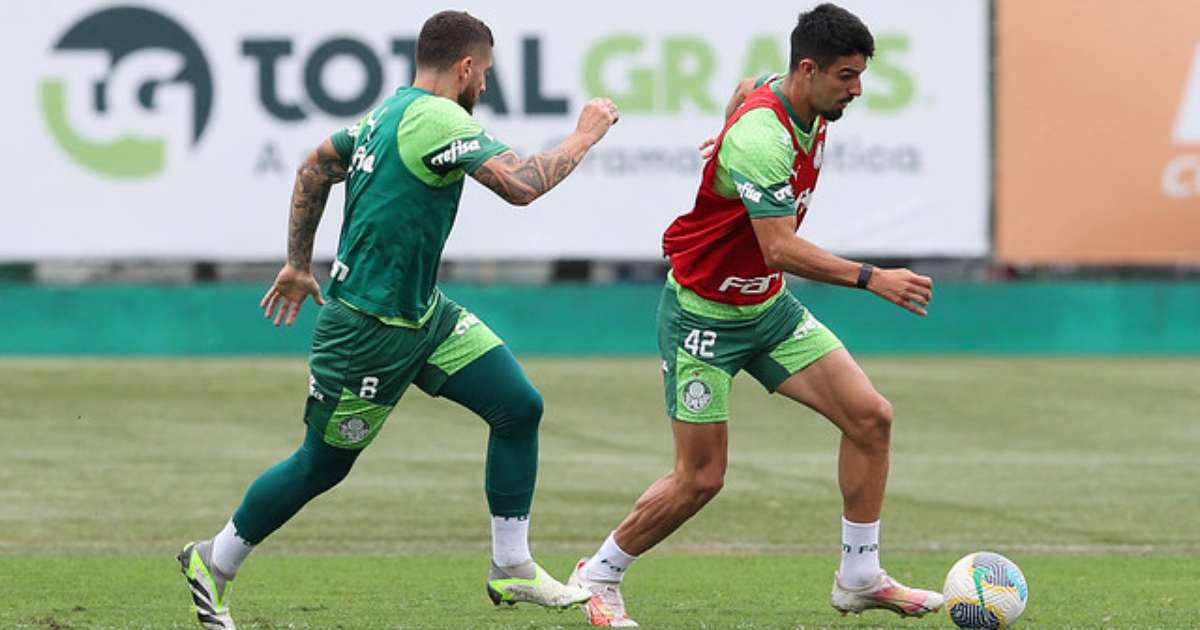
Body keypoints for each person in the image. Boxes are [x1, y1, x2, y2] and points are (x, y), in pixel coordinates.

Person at [177, 10, 619, 629]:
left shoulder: (386, 113)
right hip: (367, 331)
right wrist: (587, 133)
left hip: (424, 316)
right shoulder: (438, 118)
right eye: (485, 74)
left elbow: (314, 165)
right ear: (465, 68)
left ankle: (512, 565)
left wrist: (300, 263)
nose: (485, 88)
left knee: (519, 406)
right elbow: (521, 185)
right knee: (322, 464)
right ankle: (213, 562)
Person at [567, 4, 942, 626]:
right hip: (702, 318)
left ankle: (860, 576)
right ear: (807, 69)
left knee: (871, 418)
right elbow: (779, 247)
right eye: (847, 76)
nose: (858, 90)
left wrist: (723, 130)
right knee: (701, 478)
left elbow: (746, 90)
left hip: (765, 308)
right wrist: (873, 279)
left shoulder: (794, 102)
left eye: (860, 75)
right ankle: (597, 576)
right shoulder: (764, 137)